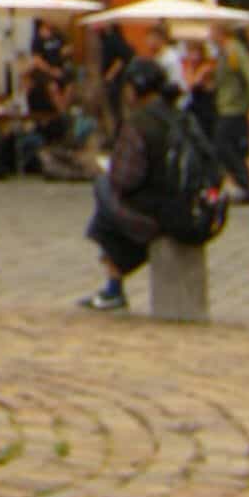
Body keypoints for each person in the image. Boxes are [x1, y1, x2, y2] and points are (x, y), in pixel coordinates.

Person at [79, 56, 176, 310]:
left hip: (159, 214)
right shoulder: (180, 117)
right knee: (113, 205)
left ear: (134, 89)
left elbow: (125, 179)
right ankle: (114, 283)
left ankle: (114, 284)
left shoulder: (140, 124)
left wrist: (107, 169)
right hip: (186, 206)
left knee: (104, 189)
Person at [211, 26, 249, 202]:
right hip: (226, 106)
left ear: (221, 33)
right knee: (234, 148)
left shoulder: (234, 50)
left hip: (234, 108)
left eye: (212, 31)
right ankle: (244, 185)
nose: (210, 35)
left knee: (222, 145)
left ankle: (244, 182)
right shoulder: (223, 52)